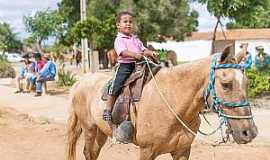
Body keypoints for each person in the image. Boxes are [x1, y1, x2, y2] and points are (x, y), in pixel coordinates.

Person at [103, 11, 158, 122]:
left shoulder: (135, 39)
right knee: (116, 84)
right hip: (125, 66)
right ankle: (108, 109)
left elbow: (143, 49)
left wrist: (150, 53)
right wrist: (135, 55)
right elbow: (122, 52)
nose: (128, 24)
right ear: (118, 25)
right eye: (125, 22)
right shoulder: (119, 39)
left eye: (130, 22)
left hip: (139, 65)